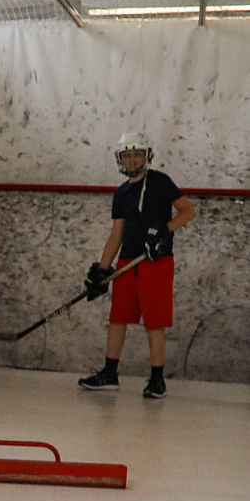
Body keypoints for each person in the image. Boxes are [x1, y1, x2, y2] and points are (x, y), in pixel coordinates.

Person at [78, 132, 196, 399]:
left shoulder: (160, 182)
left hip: (156, 262)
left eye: (137, 154)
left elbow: (188, 211)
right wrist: (102, 270)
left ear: (147, 156)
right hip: (127, 262)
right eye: (127, 155)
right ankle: (109, 374)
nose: (132, 160)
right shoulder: (121, 193)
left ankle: (157, 380)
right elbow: (116, 235)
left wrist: (164, 231)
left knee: (154, 322)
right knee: (118, 318)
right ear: (120, 159)